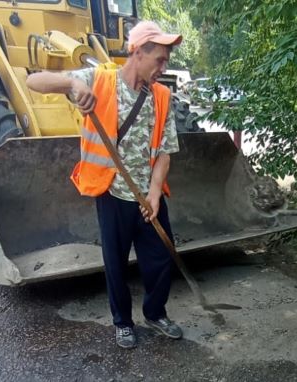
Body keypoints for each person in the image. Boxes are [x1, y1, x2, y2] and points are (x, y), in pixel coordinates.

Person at [26, 21, 184, 349]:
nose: (164, 67)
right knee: (115, 262)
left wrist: (155, 193)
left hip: (148, 196)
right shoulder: (98, 80)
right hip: (112, 192)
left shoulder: (163, 96)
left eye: (167, 60)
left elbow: (165, 151)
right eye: (160, 59)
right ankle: (122, 322)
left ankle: (155, 314)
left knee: (160, 259)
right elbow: (33, 81)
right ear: (138, 53)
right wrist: (71, 83)